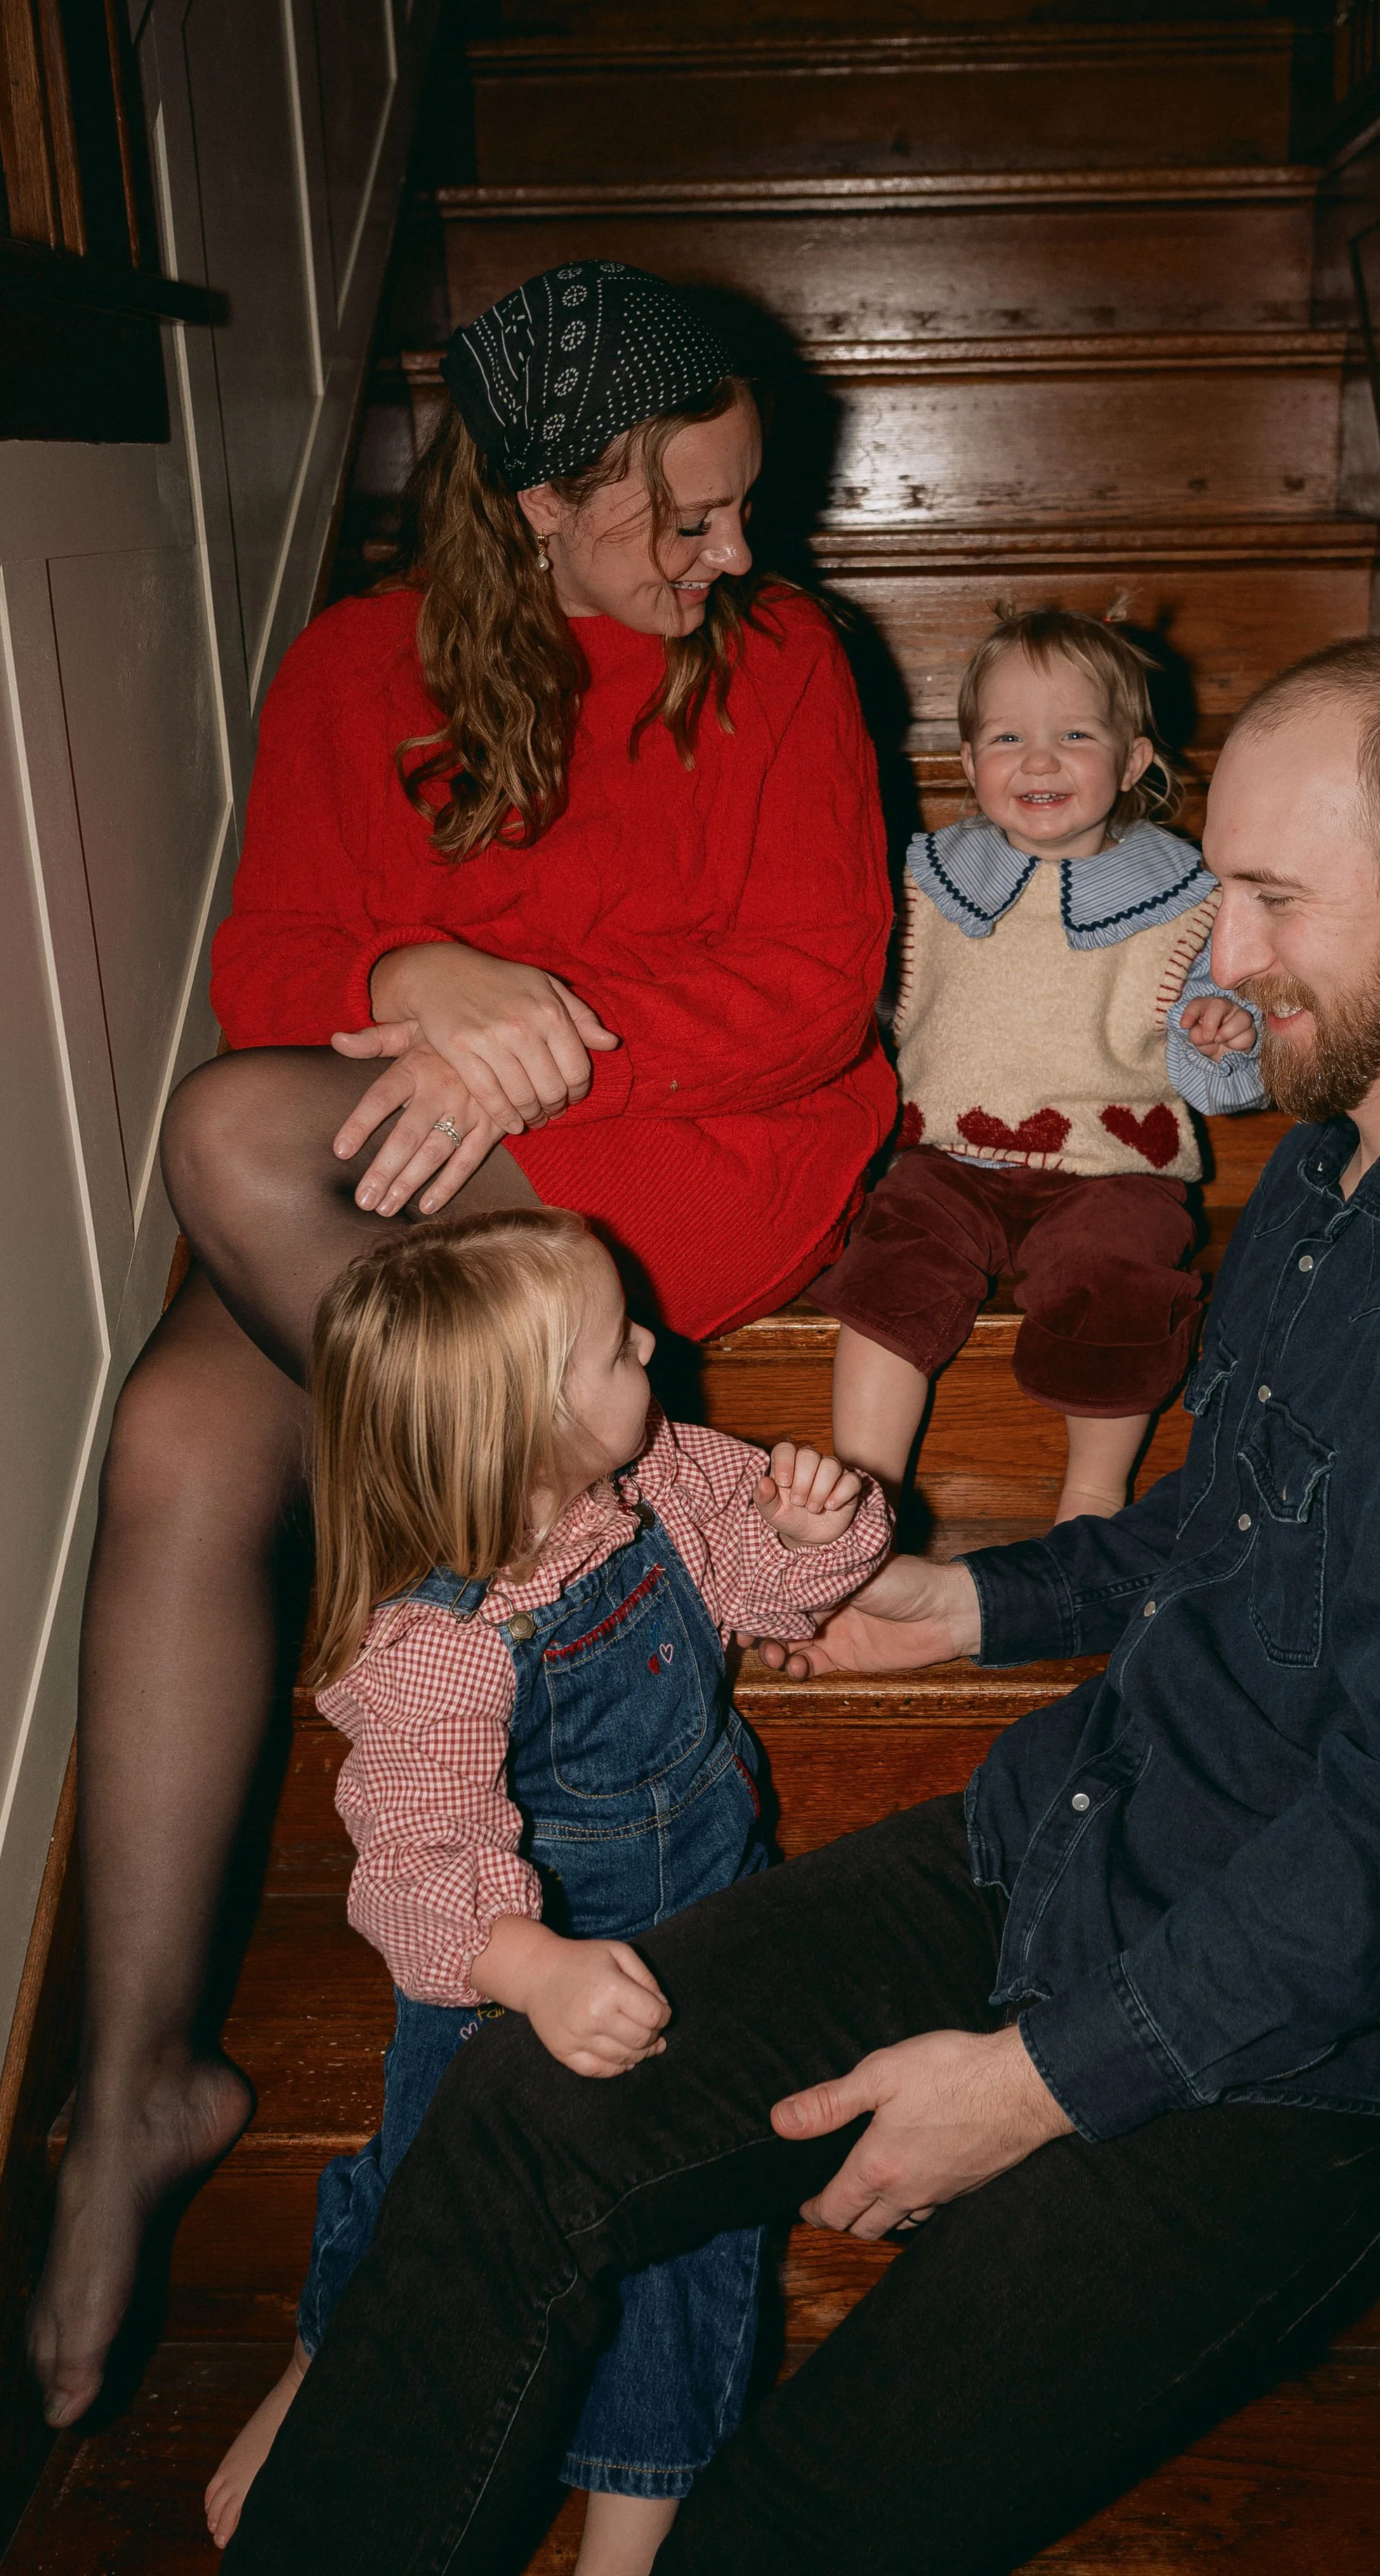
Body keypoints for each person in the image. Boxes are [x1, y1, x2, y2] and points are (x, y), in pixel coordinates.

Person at [225, 632, 1380, 2576]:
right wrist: (962, 1604)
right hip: (1084, 1835)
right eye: (1213, 880)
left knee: (777, 2536)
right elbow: (1217, 1545)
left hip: (1300, 2053)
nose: (1215, 959)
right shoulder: (1338, 1165)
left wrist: (1037, 2086)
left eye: (1264, 900)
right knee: (520, 2111)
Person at [27, 261, 895, 2430]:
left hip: (690, 1161)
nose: (727, 555)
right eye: (672, 519)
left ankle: (543, 1535)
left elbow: (811, 987)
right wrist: (415, 960)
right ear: (523, 504)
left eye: (736, 508)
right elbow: (278, 964)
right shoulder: (350, 667)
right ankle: (136, 2080)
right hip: (428, 1174)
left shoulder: (783, 662)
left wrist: (533, 1053)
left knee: (236, 1143)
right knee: (174, 1444)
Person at [204, 1209, 888, 2569]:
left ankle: (630, 2533)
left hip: (700, 1935)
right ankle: (329, 2373)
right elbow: (413, 1853)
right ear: (518, 1431)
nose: (655, 1340)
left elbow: (765, 1600)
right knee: (425, 2197)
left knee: (693, 2238)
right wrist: (525, 1967)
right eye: (611, 1345)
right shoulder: (439, 1649)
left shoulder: (667, 1473)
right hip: (508, 1976)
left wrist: (803, 1531)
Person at [813, 607, 1263, 1524]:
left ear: (1134, 761)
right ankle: (862, 1495)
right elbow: (864, 994)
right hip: (944, 1161)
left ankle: (1090, 1504)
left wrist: (1226, 1032)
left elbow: (1223, 1043)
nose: (1040, 761)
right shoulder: (928, 878)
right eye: (1008, 737)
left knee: (1125, 1282)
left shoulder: (1181, 899)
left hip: (1112, 1170)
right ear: (971, 762)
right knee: (888, 1274)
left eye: (1075, 736)